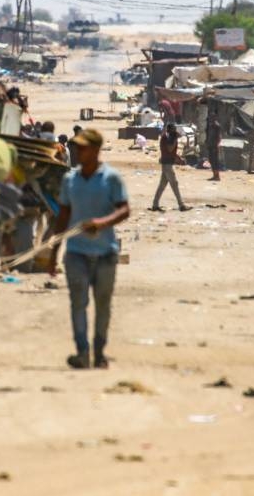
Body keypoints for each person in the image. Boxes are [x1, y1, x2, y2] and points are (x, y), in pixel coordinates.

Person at [49, 129, 131, 369]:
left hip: (106, 253)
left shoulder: (111, 178)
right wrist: (53, 253)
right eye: (75, 148)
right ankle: (82, 351)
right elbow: (62, 217)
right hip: (75, 253)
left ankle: (99, 350)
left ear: (96, 150)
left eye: (82, 148)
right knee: (78, 304)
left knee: (103, 304)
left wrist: (102, 223)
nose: (76, 152)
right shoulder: (69, 180)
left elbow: (124, 210)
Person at [151, 123, 191, 212]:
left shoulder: (167, 137)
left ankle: (155, 204)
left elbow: (169, 152)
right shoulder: (168, 138)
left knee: (162, 185)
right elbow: (170, 149)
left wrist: (178, 158)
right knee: (174, 184)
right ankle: (181, 205)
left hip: (166, 164)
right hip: (167, 165)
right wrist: (176, 138)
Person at [206, 114, 222, 181]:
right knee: (211, 161)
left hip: (214, 146)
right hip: (210, 145)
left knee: (215, 161)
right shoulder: (210, 126)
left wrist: (216, 146)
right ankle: (214, 175)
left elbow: (219, 137)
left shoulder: (216, 126)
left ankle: (217, 176)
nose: (210, 119)